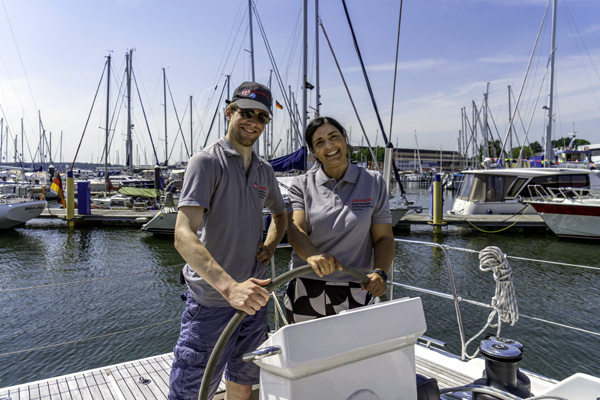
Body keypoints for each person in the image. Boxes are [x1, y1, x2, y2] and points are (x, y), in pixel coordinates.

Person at [168, 81, 287, 400]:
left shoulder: (265, 171)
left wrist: (271, 246)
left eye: (262, 118)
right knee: (192, 388)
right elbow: (182, 235)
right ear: (229, 112)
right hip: (212, 302)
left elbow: (280, 215)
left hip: (255, 296)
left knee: (244, 375)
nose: (254, 122)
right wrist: (229, 287)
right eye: (246, 113)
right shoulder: (206, 162)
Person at [284, 116, 395, 323]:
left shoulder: (374, 182)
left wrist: (380, 272)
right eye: (319, 142)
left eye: (333, 137)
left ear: (344, 138)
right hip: (306, 285)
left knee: (354, 353)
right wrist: (313, 256)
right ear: (313, 152)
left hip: (358, 287)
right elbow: (295, 229)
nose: (329, 146)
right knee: (307, 353)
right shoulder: (301, 185)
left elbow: (384, 238)